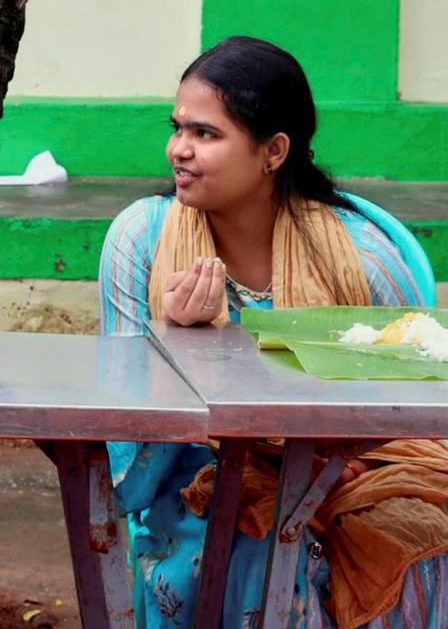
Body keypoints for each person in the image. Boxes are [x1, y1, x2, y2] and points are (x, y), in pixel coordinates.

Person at [98, 36, 448, 628]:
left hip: (357, 471)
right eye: (177, 127)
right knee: (264, 553)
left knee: (417, 550)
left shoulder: (362, 257)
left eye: (205, 134)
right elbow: (127, 440)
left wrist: (335, 457)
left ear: (274, 150)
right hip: (194, 475)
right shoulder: (143, 242)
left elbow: (422, 402)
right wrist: (181, 342)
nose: (177, 149)